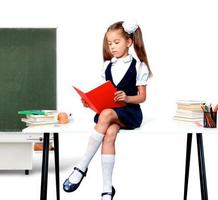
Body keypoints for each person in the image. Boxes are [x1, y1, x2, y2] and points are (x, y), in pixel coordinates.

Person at [63, 20, 152, 200]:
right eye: (109, 43)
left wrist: (127, 98)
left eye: (116, 42)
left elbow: (142, 97)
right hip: (112, 114)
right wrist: (91, 102)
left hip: (130, 113)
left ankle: (81, 166)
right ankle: (107, 189)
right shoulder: (107, 66)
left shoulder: (138, 66)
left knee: (106, 114)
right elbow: (106, 94)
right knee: (110, 133)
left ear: (129, 42)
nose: (112, 47)